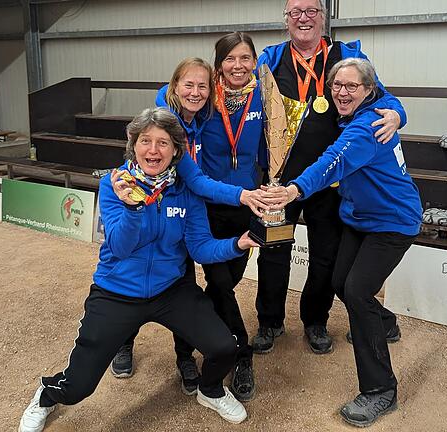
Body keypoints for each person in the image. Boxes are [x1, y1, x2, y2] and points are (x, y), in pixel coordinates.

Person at [18, 107, 256, 432]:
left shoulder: (186, 192)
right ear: (134, 145)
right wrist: (132, 207)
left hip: (171, 291)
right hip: (116, 292)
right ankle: (46, 395)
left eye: (163, 143)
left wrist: (237, 244)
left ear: (176, 150)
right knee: (79, 387)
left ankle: (210, 389)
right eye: (146, 141)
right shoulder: (115, 184)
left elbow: (200, 248)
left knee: (225, 346)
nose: (153, 150)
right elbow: (119, 246)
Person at [108, 58, 283, 395]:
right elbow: (199, 181)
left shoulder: (204, 116)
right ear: (174, 85)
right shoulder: (171, 121)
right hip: (153, 205)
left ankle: (186, 354)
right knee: (137, 272)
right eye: (188, 84)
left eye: (203, 86)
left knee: (190, 285)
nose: (196, 92)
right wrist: (244, 196)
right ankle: (124, 341)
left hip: (191, 212)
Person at [252, 0, 407, 355]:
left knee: (325, 256)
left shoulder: (345, 54)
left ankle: (315, 322)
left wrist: (398, 115)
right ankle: (269, 321)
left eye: (311, 12)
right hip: (280, 183)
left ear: (324, 18)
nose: (303, 19)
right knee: (273, 251)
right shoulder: (271, 60)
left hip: (331, 183)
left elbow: (384, 96)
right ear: (286, 20)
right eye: (296, 13)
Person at [275, 57, 421, 427]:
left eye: (351, 86)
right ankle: (384, 323)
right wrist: (396, 110)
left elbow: (330, 164)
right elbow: (388, 96)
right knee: (341, 282)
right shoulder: (380, 104)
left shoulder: (365, 128)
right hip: (359, 217)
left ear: (367, 90)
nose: (341, 92)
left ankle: (380, 391)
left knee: (356, 291)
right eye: (337, 85)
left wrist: (294, 189)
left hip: (392, 222)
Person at [195, 32, 266, 401]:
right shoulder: (205, 98)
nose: (238, 66)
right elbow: (168, 94)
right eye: (230, 59)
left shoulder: (264, 95)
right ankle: (241, 353)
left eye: (245, 58)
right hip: (209, 206)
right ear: (218, 63)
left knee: (225, 283)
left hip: (248, 205)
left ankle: (201, 333)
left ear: (254, 61)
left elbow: (276, 143)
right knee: (220, 282)